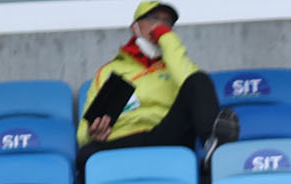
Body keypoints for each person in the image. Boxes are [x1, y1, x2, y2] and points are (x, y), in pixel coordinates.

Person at [80, 1, 226, 160]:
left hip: (164, 136)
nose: (160, 25)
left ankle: (215, 150)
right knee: (85, 155)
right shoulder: (109, 70)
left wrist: (167, 40)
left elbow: (195, 85)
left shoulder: (176, 65)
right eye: (153, 18)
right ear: (135, 27)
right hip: (120, 140)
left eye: (167, 22)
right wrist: (91, 133)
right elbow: (82, 134)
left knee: (198, 80)